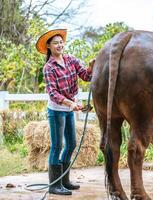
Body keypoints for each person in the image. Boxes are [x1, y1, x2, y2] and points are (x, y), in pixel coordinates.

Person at [36, 29, 95, 195]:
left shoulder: (71, 60)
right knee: (57, 146)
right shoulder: (49, 67)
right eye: (55, 43)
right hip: (57, 110)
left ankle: (64, 180)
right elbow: (53, 93)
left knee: (71, 144)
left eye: (61, 42)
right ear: (48, 46)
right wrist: (70, 103)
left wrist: (90, 67)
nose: (59, 45)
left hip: (69, 109)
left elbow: (85, 76)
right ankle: (54, 186)